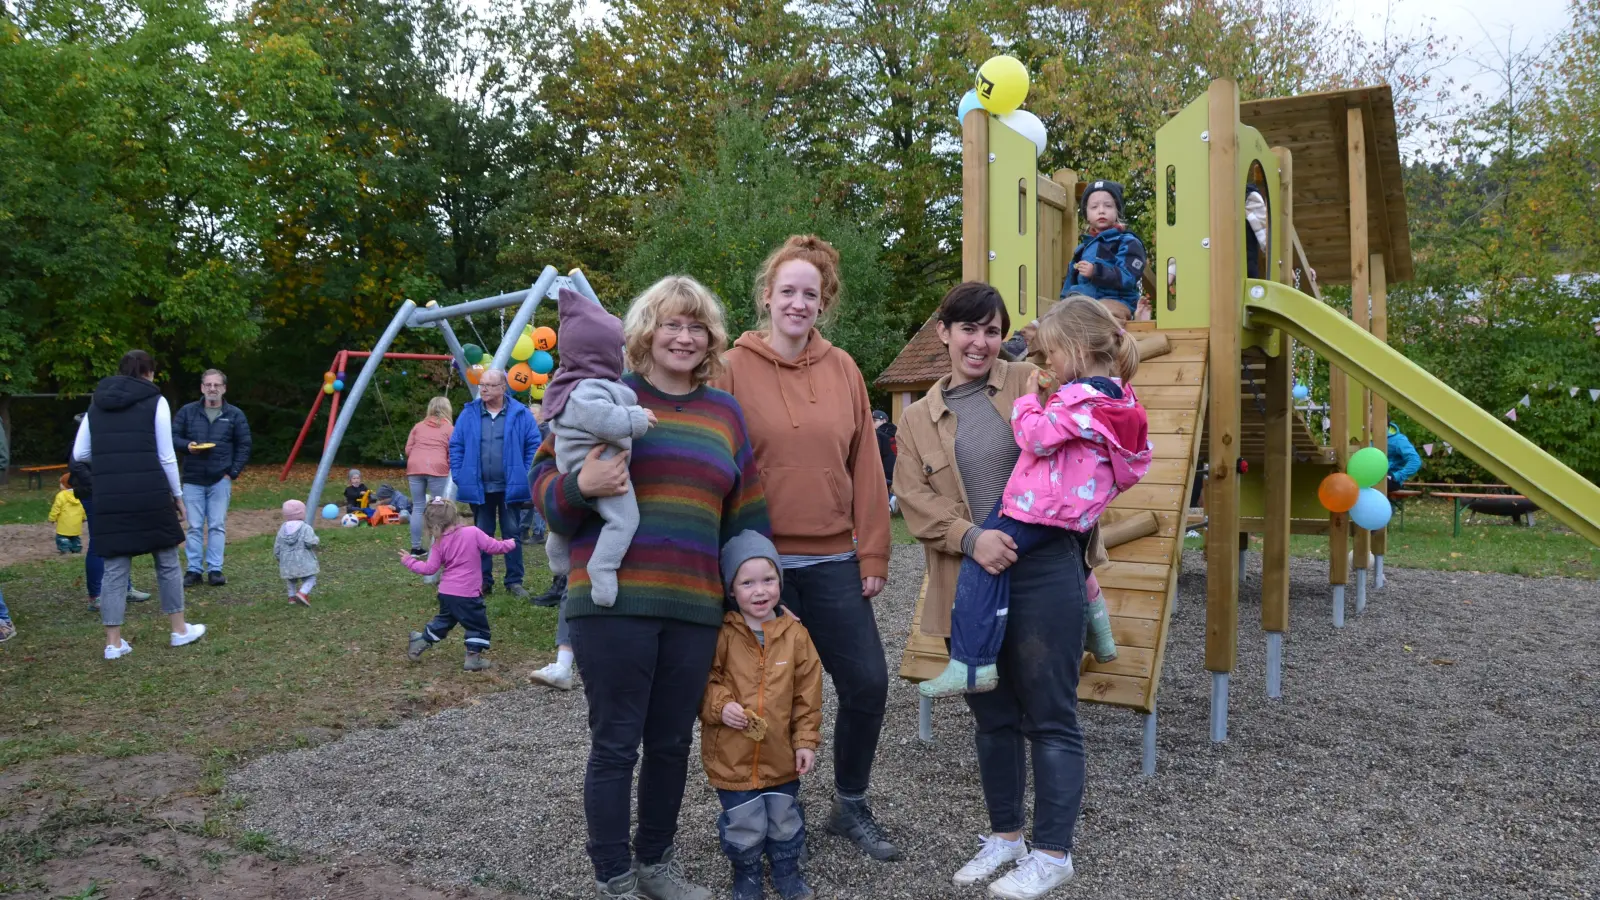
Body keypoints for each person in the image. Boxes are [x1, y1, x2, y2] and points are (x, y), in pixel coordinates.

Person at [531, 275, 769, 900]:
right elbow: (542, 483)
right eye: (672, 324)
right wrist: (581, 488)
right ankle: (613, 877)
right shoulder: (605, 395)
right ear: (645, 333)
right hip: (612, 606)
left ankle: (656, 867)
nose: (685, 337)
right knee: (616, 743)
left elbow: (746, 514)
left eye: (697, 327)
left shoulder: (725, 413)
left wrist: (756, 587)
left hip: (694, 607)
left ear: (711, 340)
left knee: (669, 745)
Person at [895, 283, 1110, 899]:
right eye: (968, 329)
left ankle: (1052, 852)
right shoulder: (916, 418)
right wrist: (971, 538)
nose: (980, 342)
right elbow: (914, 500)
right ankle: (1006, 837)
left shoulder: (1032, 382)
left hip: (1043, 572)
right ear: (944, 332)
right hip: (968, 573)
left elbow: (1093, 419)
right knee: (991, 715)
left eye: (992, 331)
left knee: (1050, 713)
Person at [714, 235, 897, 862]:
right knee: (762, 697)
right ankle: (764, 810)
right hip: (757, 565)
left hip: (832, 559)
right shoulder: (731, 366)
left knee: (869, 683)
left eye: (810, 295)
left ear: (824, 304)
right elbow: (715, 462)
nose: (798, 303)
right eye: (787, 291)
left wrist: (873, 551)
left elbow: (867, 464)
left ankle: (850, 803)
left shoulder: (844, 369)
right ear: (767, 297)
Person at [919, 296, 1150, 699]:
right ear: (945, 332)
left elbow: (1036, 438)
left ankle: (972, 664)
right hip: (1074, 515)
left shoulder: (1076, 398)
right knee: (1083, 565)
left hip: (1040, 507)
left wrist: (1028, 401)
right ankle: (1100, 630)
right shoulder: (1120, 399)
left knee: (980, 563)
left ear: (1077, 350)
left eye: (1054, 353)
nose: (1050, 363)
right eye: (969, 329)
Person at [701, 531, 822, 900]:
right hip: (732, 757)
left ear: (780, 583)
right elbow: (706, 679)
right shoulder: (722, 633)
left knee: (784, 818)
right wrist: (723, 706)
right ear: (732, 589)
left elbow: (808, 694)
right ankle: (748, 874)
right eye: (747, 582)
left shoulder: (795, 635)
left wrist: (805, 742)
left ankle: (786, 870)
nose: (760, 591)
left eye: (768, 580)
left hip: (781, 753)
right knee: (744, 823)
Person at [73, 350, 207, 660]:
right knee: (167, 560)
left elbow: (80, 454)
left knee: (115, 569)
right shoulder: (155, 400)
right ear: (149, 373)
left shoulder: (96, 403)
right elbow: (166, 455)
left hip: (110, 495)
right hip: (150, 493)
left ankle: (113, 643)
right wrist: (178, 496)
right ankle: (179, 629)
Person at [541, 288, 656, 606]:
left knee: (583, 515)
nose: (622, 354)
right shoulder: (588, 387)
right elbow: (603, 419)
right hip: (598, 459)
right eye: (618, 347)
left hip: (580, 460)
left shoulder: (578, 382)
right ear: (599, 352)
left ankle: (558, 545)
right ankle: (602, 567)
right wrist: (636, 419)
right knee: (624, 520)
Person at [449, 368, 541, 599]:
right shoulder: (469, 413)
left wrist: (525, 472)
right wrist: (460, 475)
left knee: (512, 534)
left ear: (503, 387)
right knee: (481, 535)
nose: (484, 389)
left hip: (511, 486)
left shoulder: (521, 413)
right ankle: (483, 582)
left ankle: (514, 582)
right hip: (479, 487)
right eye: (482, 385)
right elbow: (456, 446)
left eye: (489, 385)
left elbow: (534, 445)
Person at [400, 498, 516, 671]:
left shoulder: (439, 544)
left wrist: (409, 561)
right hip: (467, 594)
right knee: (477, 624)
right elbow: (494, 547)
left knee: (445, 620)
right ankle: (473, 658)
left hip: (447, 593)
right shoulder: (473, 532)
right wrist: (511, 543)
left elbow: (430, 569)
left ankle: (421, 640)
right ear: (455, 516)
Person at [173, 368, 251, 587]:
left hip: (220, 478)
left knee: (217, 525)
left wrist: (232, 473)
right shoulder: (188, 412)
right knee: (195, 526)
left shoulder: (234, 414)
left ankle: (215, 570)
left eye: (217, 385)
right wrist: (187, 447)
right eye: (208, 385)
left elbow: (244, 445)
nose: (212, 389)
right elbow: (173, 437)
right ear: (202, 388)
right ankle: (194, 570)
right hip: (192, 478)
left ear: (224, 388)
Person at [67, 417, 153, 613]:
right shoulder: (85, 435)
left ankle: (125, 588)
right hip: (93, 494)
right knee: (99, 543)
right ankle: (96, 596)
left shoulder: (114, 434)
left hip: (114, 492)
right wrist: (100, 486)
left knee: (121, 538)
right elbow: (76, 464)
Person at [1060, 180, 1146, 323]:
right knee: (1052, 317)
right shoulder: (1082, 250)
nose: (1101, 210)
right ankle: (1023, 340)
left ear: (1117, 211)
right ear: (1087, 215)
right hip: (1081, 302)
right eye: (1094, 207)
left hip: (1115, 302)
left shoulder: (1127, 242)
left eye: (1108, 205)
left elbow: (1128, 276)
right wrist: (1062, 303)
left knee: (1098, 316)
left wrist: (1096, 271)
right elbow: (1070, 281)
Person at [405, 396, 455, 555]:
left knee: (418, 507)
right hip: (438, 469)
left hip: (415, 467)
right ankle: (440, 546)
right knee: (439, 507)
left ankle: (415, 547)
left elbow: (408, 449)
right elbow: (452, 452)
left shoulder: (418, 426)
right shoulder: (449, 428)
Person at [275, 499, 320, 607]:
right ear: (301, 513)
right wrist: (316, 541)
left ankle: (291, 598)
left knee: (291, 579)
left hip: (287, 561)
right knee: (311, 578)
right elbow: (310, 542)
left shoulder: (282, 529)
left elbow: (277, 545)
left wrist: (278, 556)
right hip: (303, 560)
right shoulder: (305, 527)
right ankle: (302, 593)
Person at [50, 473, 86, 553]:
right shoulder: (80, 494)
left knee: (61, 537)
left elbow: (56, 508)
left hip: (64, 523)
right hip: (76, 523)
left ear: (65, 484)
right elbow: (83, 507)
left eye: (61, 483)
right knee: (74, 536)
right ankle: (76, 547)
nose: (60, 485)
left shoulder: (61, 495)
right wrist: (83, 517)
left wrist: (52, 518)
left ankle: (65, 549)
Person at [1386, 421, 1421, 495]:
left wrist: (1397, 476)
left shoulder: (1398, 439)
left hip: (1389, 478)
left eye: (1370, 421)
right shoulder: (1363, 438)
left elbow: (1415, 460)